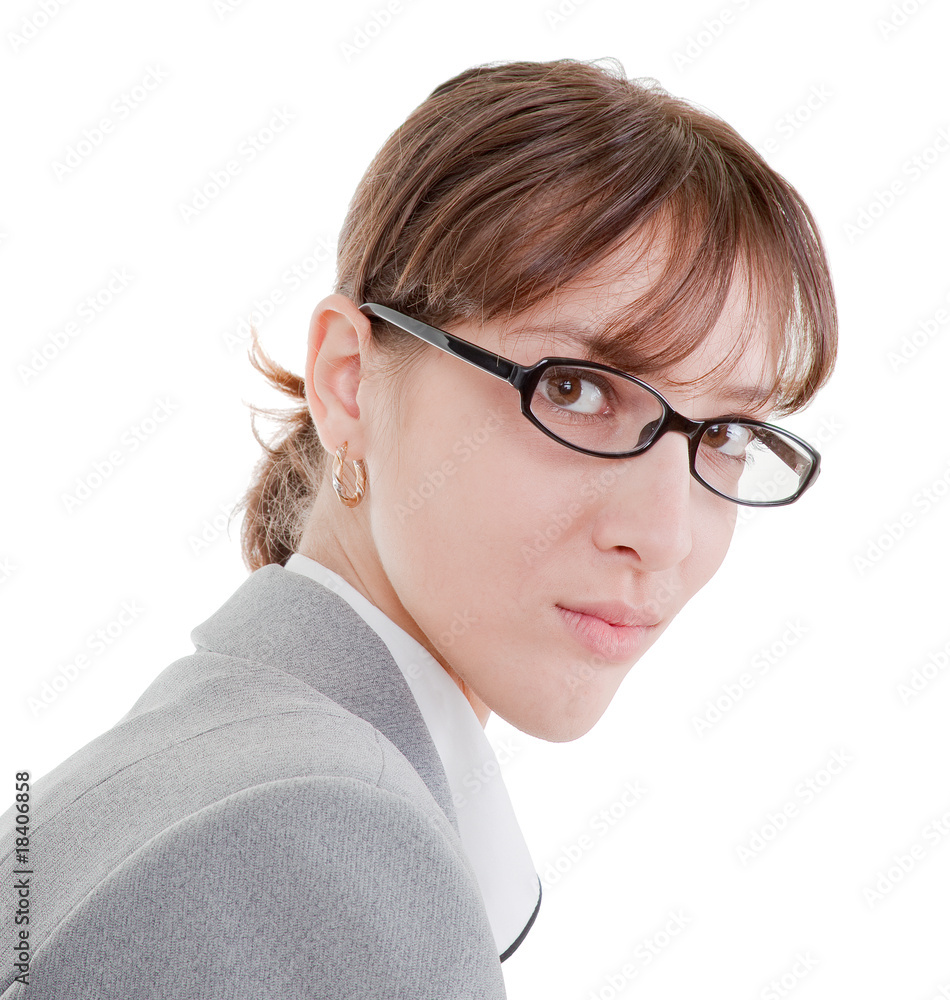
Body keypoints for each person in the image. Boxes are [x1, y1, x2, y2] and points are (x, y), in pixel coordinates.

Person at [1, 57, 836, 998]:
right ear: (349, 382)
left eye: (726, 435)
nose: (666, 534)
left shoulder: (199, 772)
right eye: (574, 388)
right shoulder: (317, 836)